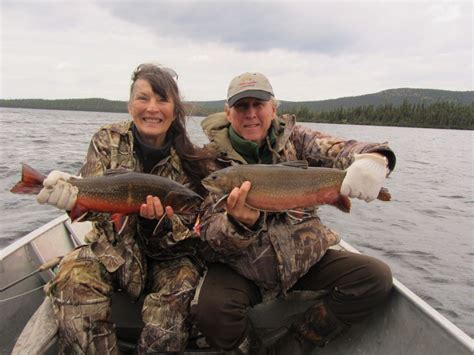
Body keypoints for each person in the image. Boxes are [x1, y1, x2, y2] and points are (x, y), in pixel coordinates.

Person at [192, 72, 396, 353]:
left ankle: (295, 344)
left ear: (273, 108)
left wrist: (375, 157)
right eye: (242, 106)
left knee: (376, 277)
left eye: (258, 104)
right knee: (211, 311)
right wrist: (237, 224)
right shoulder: (208, 162)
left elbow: (342, 149)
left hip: (305, 258)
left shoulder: (298, 140)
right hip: (241, 267)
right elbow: (207, 235)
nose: (250, 113)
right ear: (228, 113)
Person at [35, 63, 213, 354]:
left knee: (180, 292)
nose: (152, 108)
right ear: (131, 105)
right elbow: (93, 206)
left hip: (168, 260)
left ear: (175, 109)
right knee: (71, 281)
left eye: (162, 100)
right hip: (111, 249)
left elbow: (187, 235)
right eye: (143, 98)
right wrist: (69, 199)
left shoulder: (191, 160)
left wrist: (158, 225)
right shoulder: (107, 140)